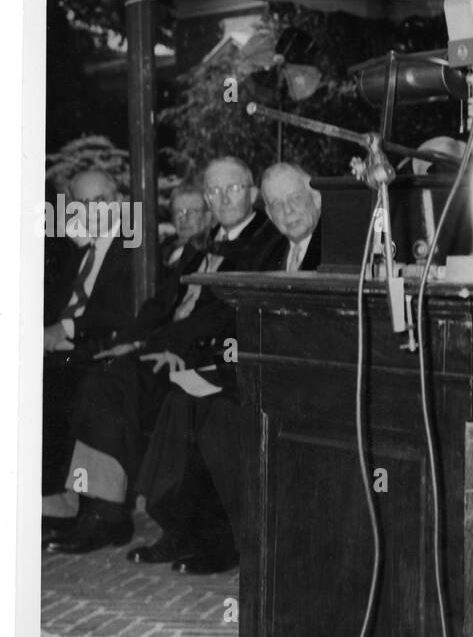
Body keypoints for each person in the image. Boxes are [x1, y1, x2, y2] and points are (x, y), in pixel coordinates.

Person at [44, 158, 283, 554]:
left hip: (207, 357)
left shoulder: (264, 242)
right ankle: (97, 509)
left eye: (233, 189)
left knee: (113, 383)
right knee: (104, 379)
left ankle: (116, 515)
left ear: (254, 195)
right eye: (214, 191)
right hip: (167, 349)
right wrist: (134, 340)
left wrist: (161, 345)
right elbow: (159, 304)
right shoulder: (201, 246)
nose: (222, 199)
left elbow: (223, 311)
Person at [128, 162, 322, 573]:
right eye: (277, 205)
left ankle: (229, 541)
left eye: (295, 200)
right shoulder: (283, 248)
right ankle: (179, 528)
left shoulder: (328, 248)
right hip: (258, 364)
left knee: (215, 413)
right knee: (183, 397)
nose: (287, 212)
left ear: (316, 198)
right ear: (267, 211)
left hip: (304, 379)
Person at [42, 169, 136, 520]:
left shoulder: (132, 246)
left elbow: (119, 309)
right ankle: (48, 497)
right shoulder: (81, 254)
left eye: (100, 201)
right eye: (82, 203)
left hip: (101, 348)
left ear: (119, 202)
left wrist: (61, 329)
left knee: (57, 381)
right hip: (69, 347)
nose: (91, 210)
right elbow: (52, 303)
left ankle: (74, 502)